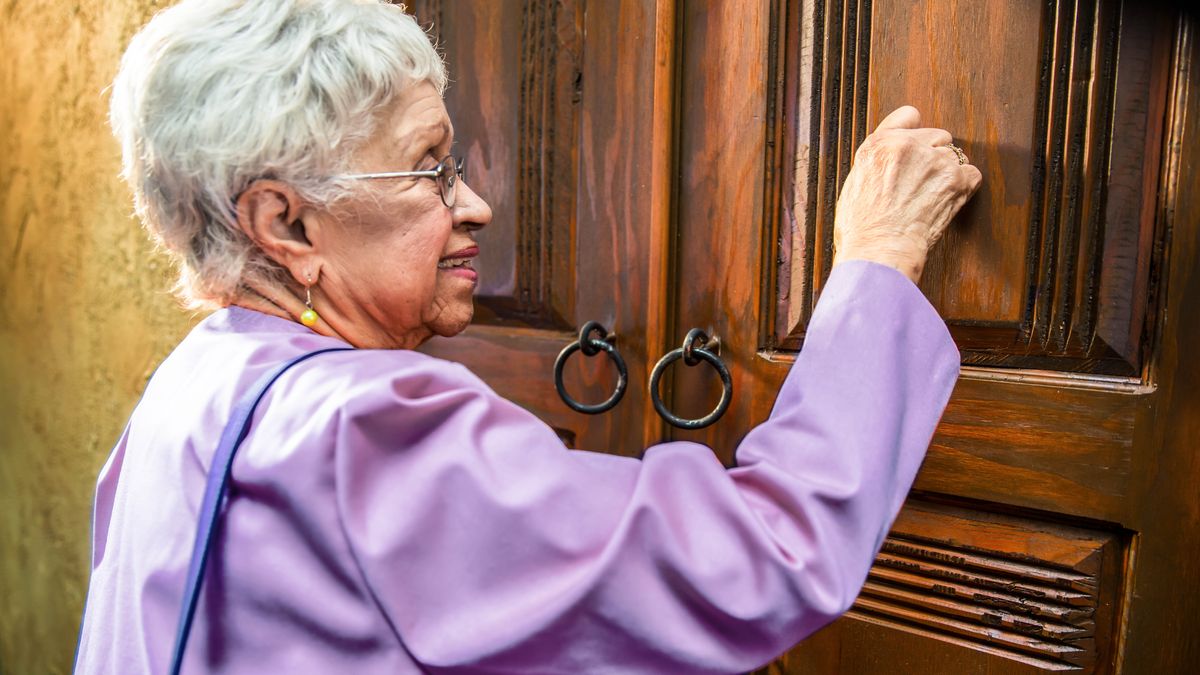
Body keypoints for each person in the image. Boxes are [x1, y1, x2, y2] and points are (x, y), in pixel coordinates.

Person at [74, 1, 982, 673]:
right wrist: (881, 254)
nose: (474, 204)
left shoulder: (191, 382)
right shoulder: (363, 428)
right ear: (288, 223)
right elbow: (764, 560)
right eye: (429, 168)